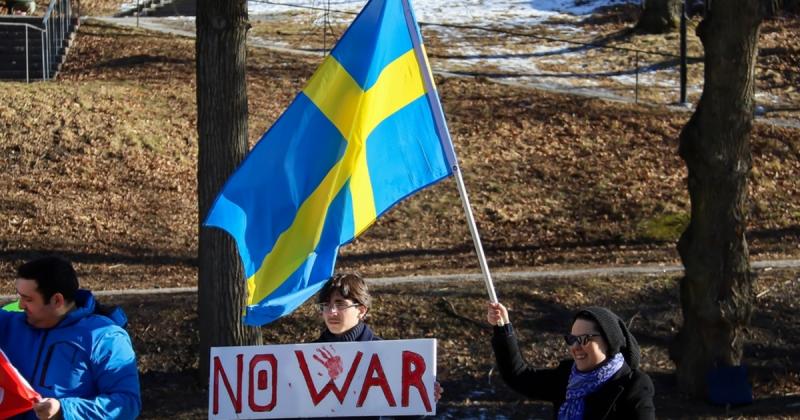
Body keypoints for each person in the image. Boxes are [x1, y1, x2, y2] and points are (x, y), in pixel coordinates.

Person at [0, 255, 141, 420]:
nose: (20, 305)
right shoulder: (10, 323)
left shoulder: (104, 337)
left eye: (28, 299)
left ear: (57, 300)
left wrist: (64, 411)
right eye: (20, 296)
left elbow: (127, 404)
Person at [487, 303, 655, 419]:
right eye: (571, 339)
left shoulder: (633, 385)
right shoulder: (567, 377)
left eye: (584, 339)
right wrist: (503, 328)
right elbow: (518, 375)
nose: (575, 346)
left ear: (609, 341)